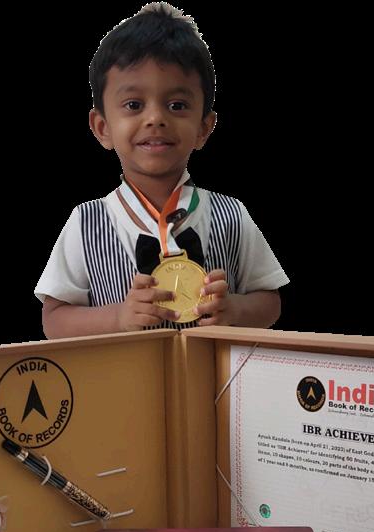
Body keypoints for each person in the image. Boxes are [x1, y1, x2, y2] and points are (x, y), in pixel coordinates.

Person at [35, 2, 289, 338]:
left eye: (177, 105)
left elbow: (270, 301)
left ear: (204, 128)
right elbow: (54, 320)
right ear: (102, 128)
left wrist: (236, 310)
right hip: (123, 374)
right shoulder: (85, 223)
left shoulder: (232, 215)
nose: (155, 118)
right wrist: (118, 317)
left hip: (211, 374)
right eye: (134, 104)